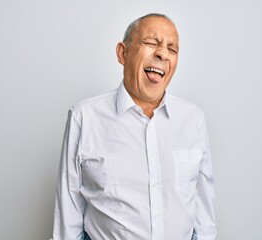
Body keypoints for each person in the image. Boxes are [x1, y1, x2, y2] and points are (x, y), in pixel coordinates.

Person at [53, 13, 217, 240]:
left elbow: (204, 216)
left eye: (173, 49)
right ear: (123, 53)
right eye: (151, 43)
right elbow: (67, 216)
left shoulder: (193, 119)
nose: (162, 53)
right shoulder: (84, 117)